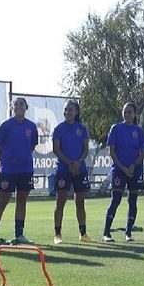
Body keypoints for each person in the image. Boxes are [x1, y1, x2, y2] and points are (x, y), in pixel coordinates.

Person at [0, 97, 38, 245]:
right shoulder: (6, 125)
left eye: (21, 104)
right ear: (12, 107)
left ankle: (19, 235)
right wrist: (6, 160)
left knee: (22, 201)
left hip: (26, 170)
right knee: (2, 201)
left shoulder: (31, 126)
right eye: (16, 104)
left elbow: (32, 146)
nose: (19, 106)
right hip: (8, 170)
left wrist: (23, 158)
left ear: (26, 107)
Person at [102, 103, 144, 242]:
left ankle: (128, 233)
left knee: (132, 201)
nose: (127, 114)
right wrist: (123, 168)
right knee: (115, 200)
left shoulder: (139, 131)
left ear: (134, 114)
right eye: (125, 112)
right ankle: (106, 233)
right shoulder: (116, 128)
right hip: (119, 170)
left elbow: (143, 153)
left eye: (130, 112)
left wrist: (133, 165)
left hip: (135, 169)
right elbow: (112, 151)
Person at [52, 101, 92, 243]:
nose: (67, 112)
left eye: (70, 110)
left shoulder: (82, 128)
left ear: (76, 112)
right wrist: (69, 163)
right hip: (63, 169)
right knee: (60, 201)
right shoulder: (58, 129)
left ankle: (83, 233)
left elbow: (86, 149)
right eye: (65, 110)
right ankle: (57, 234)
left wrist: (78, 162)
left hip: (79, 169)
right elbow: (57, 149)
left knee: (80, 202)